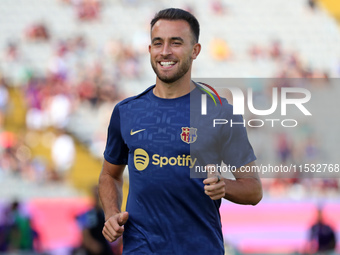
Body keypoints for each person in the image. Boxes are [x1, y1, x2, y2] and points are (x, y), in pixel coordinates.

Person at [99, 8, 262, 254]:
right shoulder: (126, 111)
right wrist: (111, 213)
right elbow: (109, 175)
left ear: (195, 51)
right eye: (158, 43)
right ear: (150, 50)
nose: (165, 51)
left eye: (176, 43)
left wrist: (224, 187)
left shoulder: (220, 113)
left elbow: (254, 189)